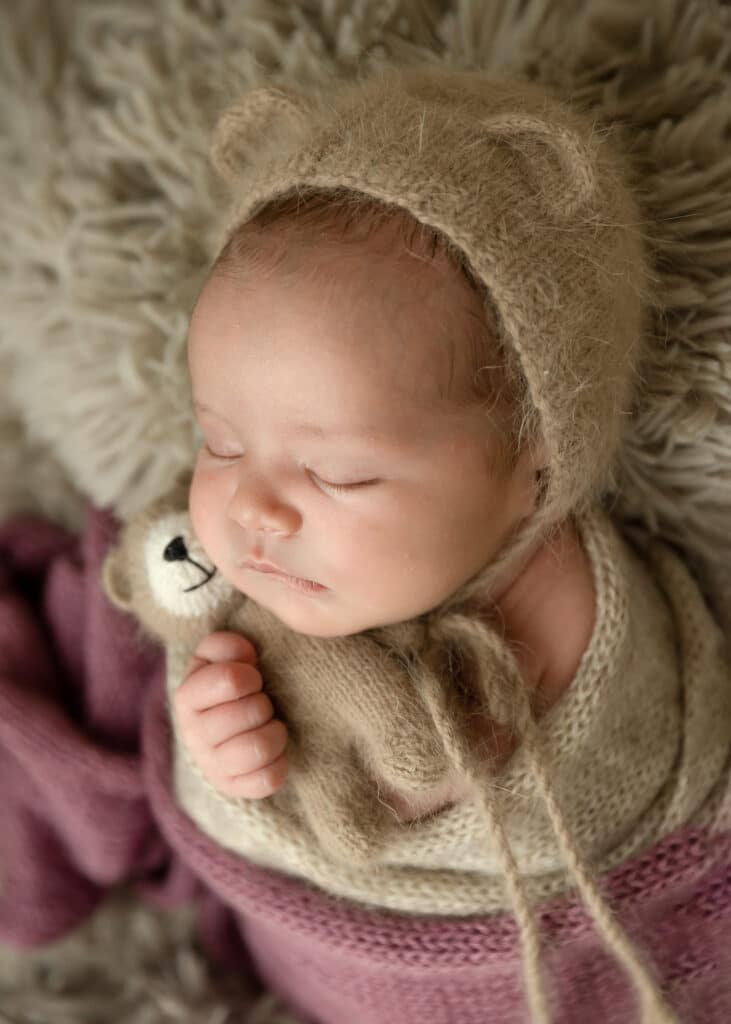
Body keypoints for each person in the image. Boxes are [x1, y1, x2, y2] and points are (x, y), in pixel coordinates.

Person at [132, 64, 728, 1023]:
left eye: (340, 475)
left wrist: (417, 783)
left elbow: (589, 779)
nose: (252, 508)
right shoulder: (251, 574)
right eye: (220, 441)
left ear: (533, 468)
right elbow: (219, 748)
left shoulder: (563, 604)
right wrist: (223, 748)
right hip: (298, 956)